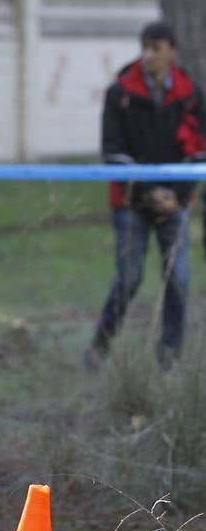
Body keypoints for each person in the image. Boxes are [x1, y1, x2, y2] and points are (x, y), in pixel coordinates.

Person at [87, 21, 206, 370]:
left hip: (177, 202)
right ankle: (100, 347)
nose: (148, 54)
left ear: (172, 51)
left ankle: (168, 357)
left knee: (179, 278)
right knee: (128, 278)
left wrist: (177, 196)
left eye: (156, 47)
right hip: (130, 203)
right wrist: (150, 193)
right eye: (145, 46)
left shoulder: (193, 96)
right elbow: (113, 153)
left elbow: (199, 152)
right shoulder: (120, 94)